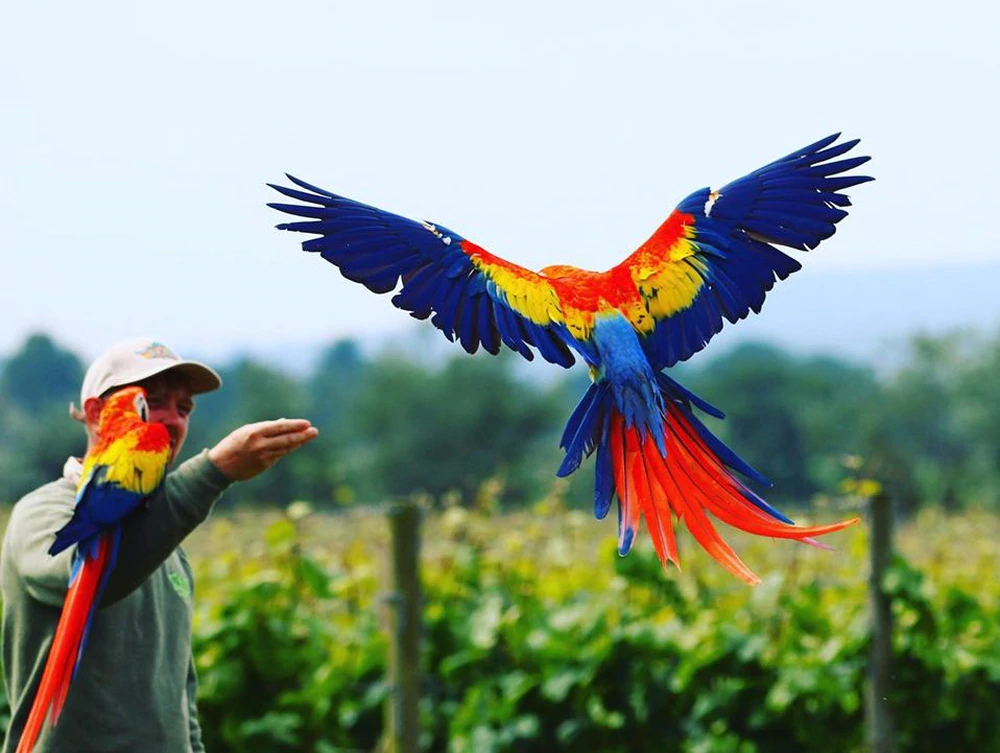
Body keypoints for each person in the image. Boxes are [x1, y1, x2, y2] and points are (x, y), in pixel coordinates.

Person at [0, 337, 319, 753]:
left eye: (183, 408)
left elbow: (180, 690)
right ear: (97, 414)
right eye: (152, 403)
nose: (171, 421)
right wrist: (212, 473)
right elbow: (92, 579)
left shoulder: (166, 539)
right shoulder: (42, 513)